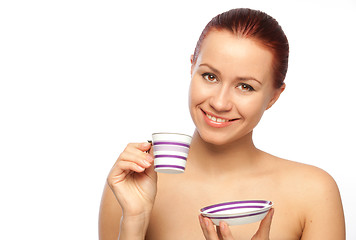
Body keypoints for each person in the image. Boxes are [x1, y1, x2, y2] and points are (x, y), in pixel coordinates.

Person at [99, 8, 345, 240]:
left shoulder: (313, 193)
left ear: (273, 96)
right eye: (210, 76)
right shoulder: (132, 180)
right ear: (192, 67)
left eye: (245, 86)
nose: (219, 102)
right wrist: (135, 220)